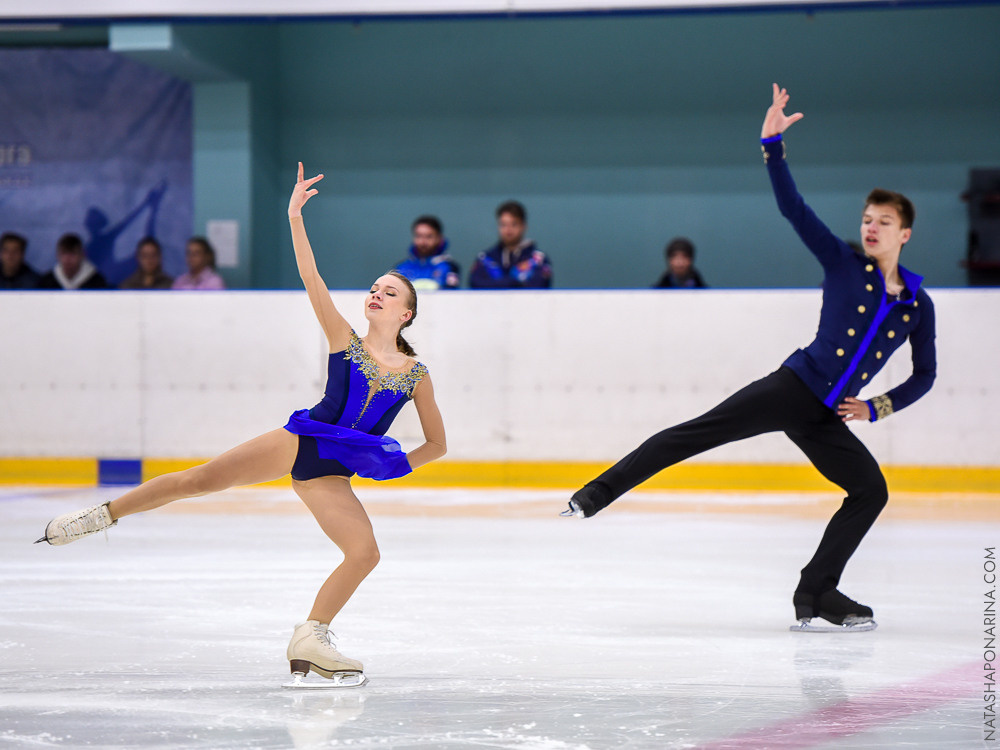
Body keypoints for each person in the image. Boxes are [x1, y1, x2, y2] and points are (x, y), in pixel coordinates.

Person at [37, 162, 448, 687]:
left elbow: (438, 443)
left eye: (389, 293)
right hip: (298, 444)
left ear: (407, 314)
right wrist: (294, 217)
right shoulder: (344, 339)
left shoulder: (416, 374)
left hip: (331, 474)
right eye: (373, 288)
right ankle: (99, 516)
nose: (376, 294)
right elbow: (310, 277)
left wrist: (393, 463)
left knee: (365, 552)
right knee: (197, 481)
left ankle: (311, 637)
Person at [563, 85, 936, 633]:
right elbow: (794, 209)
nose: (870, 227)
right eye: (866, 218)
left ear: (904, 233)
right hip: (793, 387)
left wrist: (878, 406)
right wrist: (772, 145)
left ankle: (817, 590)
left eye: (882, 221)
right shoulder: (842, 263)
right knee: (696, 433)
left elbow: (925, 374)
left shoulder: (915, 305)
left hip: (827, 416)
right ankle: (596, 494)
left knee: (870, 490)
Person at [469, 200, 552, 289]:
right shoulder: (485, 259)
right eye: (503, 225)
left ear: (524, 226)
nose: (508, 230)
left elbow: (539, 285)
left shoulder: (537, 259)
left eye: (514, 224)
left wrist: (499, 283)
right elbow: (476, 283)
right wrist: (515, 282)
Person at [393, 215, 461, 291]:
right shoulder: (401, 268)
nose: (423, 242)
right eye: (419, 236)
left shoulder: (449, 267)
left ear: (439, 238)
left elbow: (451, 296)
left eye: (429, 236)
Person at [37, 233, 109, 290]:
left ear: (82, 255)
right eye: (64, 253)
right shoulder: (47, 282)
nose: (68, 258)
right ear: (57, 255)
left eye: (73, 253)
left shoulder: (96, 281)